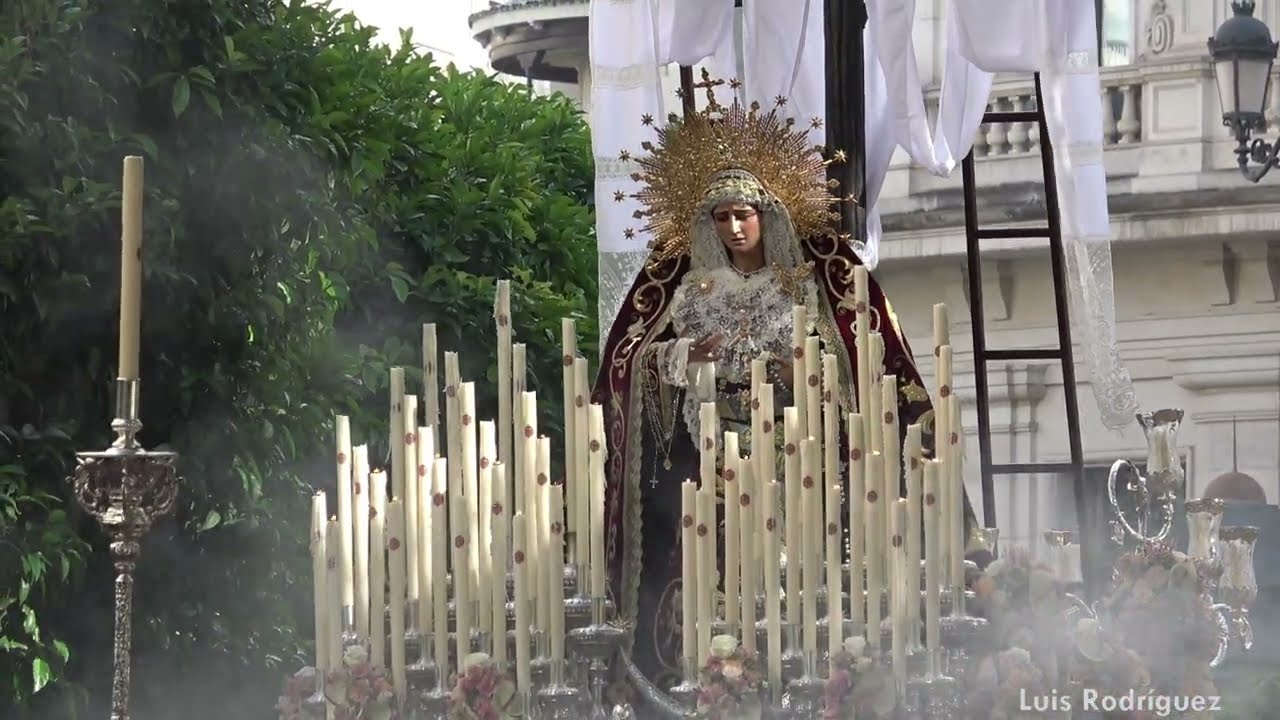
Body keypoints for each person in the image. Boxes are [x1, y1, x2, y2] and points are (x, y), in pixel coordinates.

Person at [592, 91, 977, 690]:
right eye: (722, 217)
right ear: (707, 224)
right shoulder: (691, 292)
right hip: (715, 456)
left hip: (794, 455)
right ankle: (715, 670)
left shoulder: (802, 285)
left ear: (767, 214)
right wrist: (681, 356)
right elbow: (635, 362)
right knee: (716, 567)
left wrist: (797, 372)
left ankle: (801, 664)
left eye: (744, 213)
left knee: (795, 565)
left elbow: (847, 364)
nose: (735, 226)